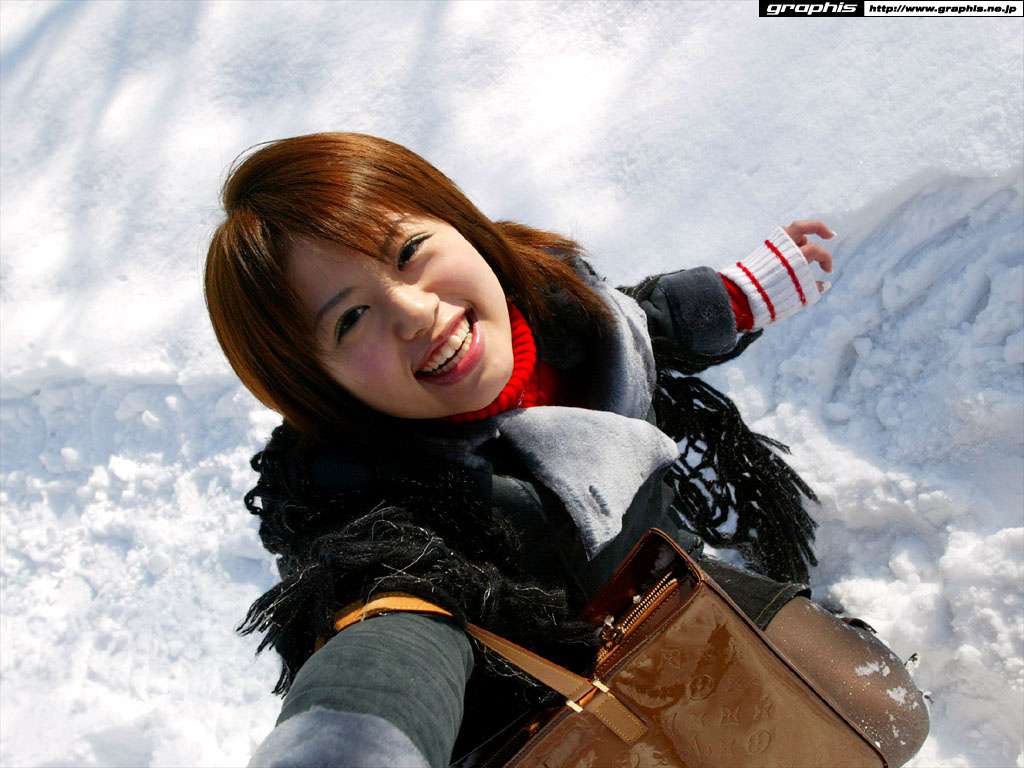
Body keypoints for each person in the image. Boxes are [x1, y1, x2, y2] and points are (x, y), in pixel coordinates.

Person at [203, 132, 930, 768]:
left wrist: (735, 297)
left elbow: (643, 322)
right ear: (315, 382)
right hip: (549, 708)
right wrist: (352, 741)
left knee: (882, 719)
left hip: (676, 588)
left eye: (410, 252)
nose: (415, 312)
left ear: (461, 226)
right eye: (351, 318)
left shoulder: (565, 313)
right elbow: (392, 625)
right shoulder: (369, 507)